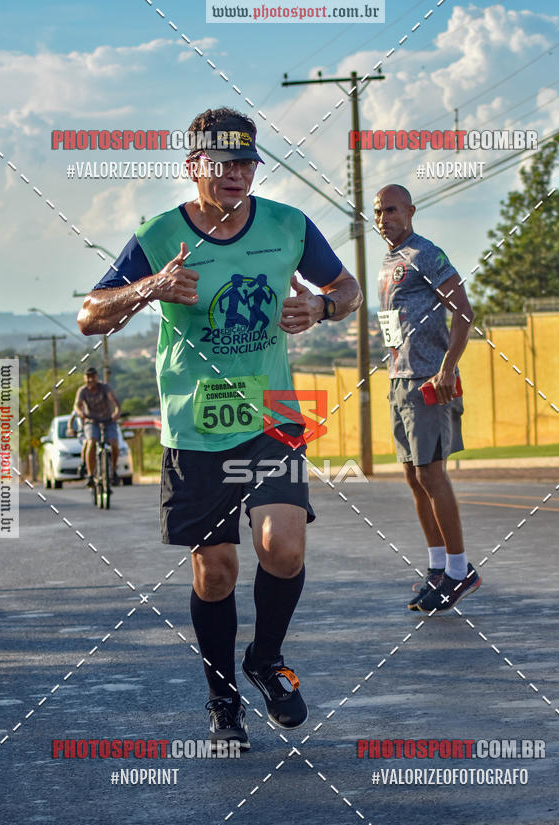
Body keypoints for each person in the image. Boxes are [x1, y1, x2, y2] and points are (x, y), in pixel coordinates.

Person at [77, 107, 361, 750]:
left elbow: (348, 290)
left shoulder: (289, 225)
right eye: (223, 163)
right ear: (193, 167)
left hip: (274, 412)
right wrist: (151, 286)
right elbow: (91, 315)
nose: (238, 174)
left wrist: (320, 306)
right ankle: (221, 694)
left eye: (247, 162)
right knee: (217, 574)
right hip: (195, 423)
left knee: (283, 546)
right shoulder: (158, 234)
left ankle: (265, 658)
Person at [374, 183, 481, 614]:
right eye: (379, 212)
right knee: (414, 479)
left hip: (428, 382)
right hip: (399, 379)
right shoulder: (386, 262)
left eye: (393, 210)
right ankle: (438, 567)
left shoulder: (425, 254)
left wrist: (447, 367)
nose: (385, 219)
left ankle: (460, 571)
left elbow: (465, 311)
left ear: (411, 211)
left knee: (432, 474)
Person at [73, 367, 122, 487]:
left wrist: (117, 412)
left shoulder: (105, 387)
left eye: (93, 376)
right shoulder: (82, 391)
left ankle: (113, 471)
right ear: (84, 378)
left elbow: (114, 401)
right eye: (88, 377)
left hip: (108, 419)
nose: (90, 379)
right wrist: (80, 413)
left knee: (114, 443)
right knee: (91, 442)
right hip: (91, 421)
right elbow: (77, 405)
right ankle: (90, 475)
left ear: (97, 377)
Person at [65, 409, 87, 478]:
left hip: (94, 430)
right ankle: (83, 464)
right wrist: (70, 428)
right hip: (83, 432)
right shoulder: (78, 409)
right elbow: (71, 419)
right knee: (86, 443)